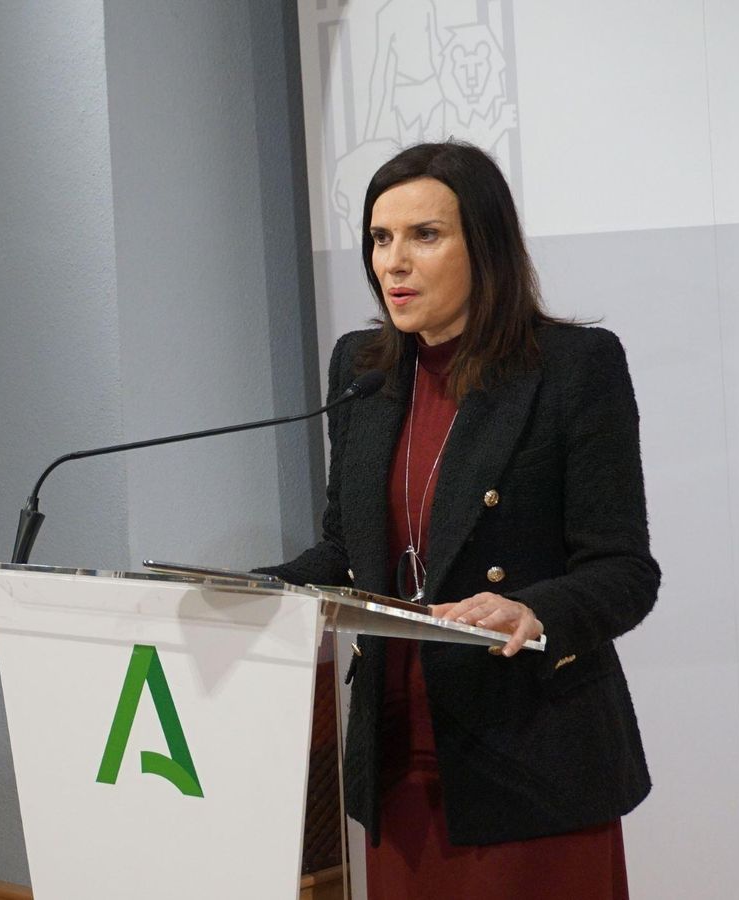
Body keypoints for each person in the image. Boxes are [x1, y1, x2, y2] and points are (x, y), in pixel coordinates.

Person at [256, 141, 657, 899]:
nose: (393, 263)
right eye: (380, 238)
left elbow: (625, 571)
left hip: (530, 762)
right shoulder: (362, 370)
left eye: (424, 236)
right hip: (400, 761)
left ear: (487, 245)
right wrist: (249, 591)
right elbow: (347, 550)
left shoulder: (573, 367)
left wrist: (534, 608)